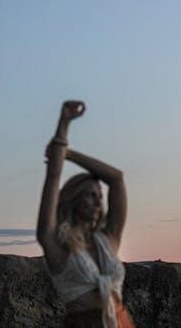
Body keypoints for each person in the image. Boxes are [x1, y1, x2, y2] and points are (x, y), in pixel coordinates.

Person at [36, 101, 135, 328]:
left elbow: (116, 179)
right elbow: (53, 177)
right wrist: (63, 124)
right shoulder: (56, 243)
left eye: (100, 196)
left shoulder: (107, 239)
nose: (99, 202)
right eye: (90, 195)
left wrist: (70, 154)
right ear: (73, 199)